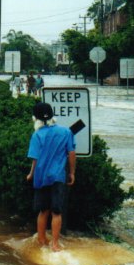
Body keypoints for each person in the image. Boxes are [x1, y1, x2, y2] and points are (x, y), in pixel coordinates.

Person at [26, 102, 76, 252]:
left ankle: (41, 240)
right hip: (58, 177)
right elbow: (72, 154)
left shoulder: (37, 135)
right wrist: (72, 172)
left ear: (36, 118)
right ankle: (55, 244)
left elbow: (35, 158)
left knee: (43, 211)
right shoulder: (66, 132)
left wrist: (31, 174)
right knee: (57, 212)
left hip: (41, 177)